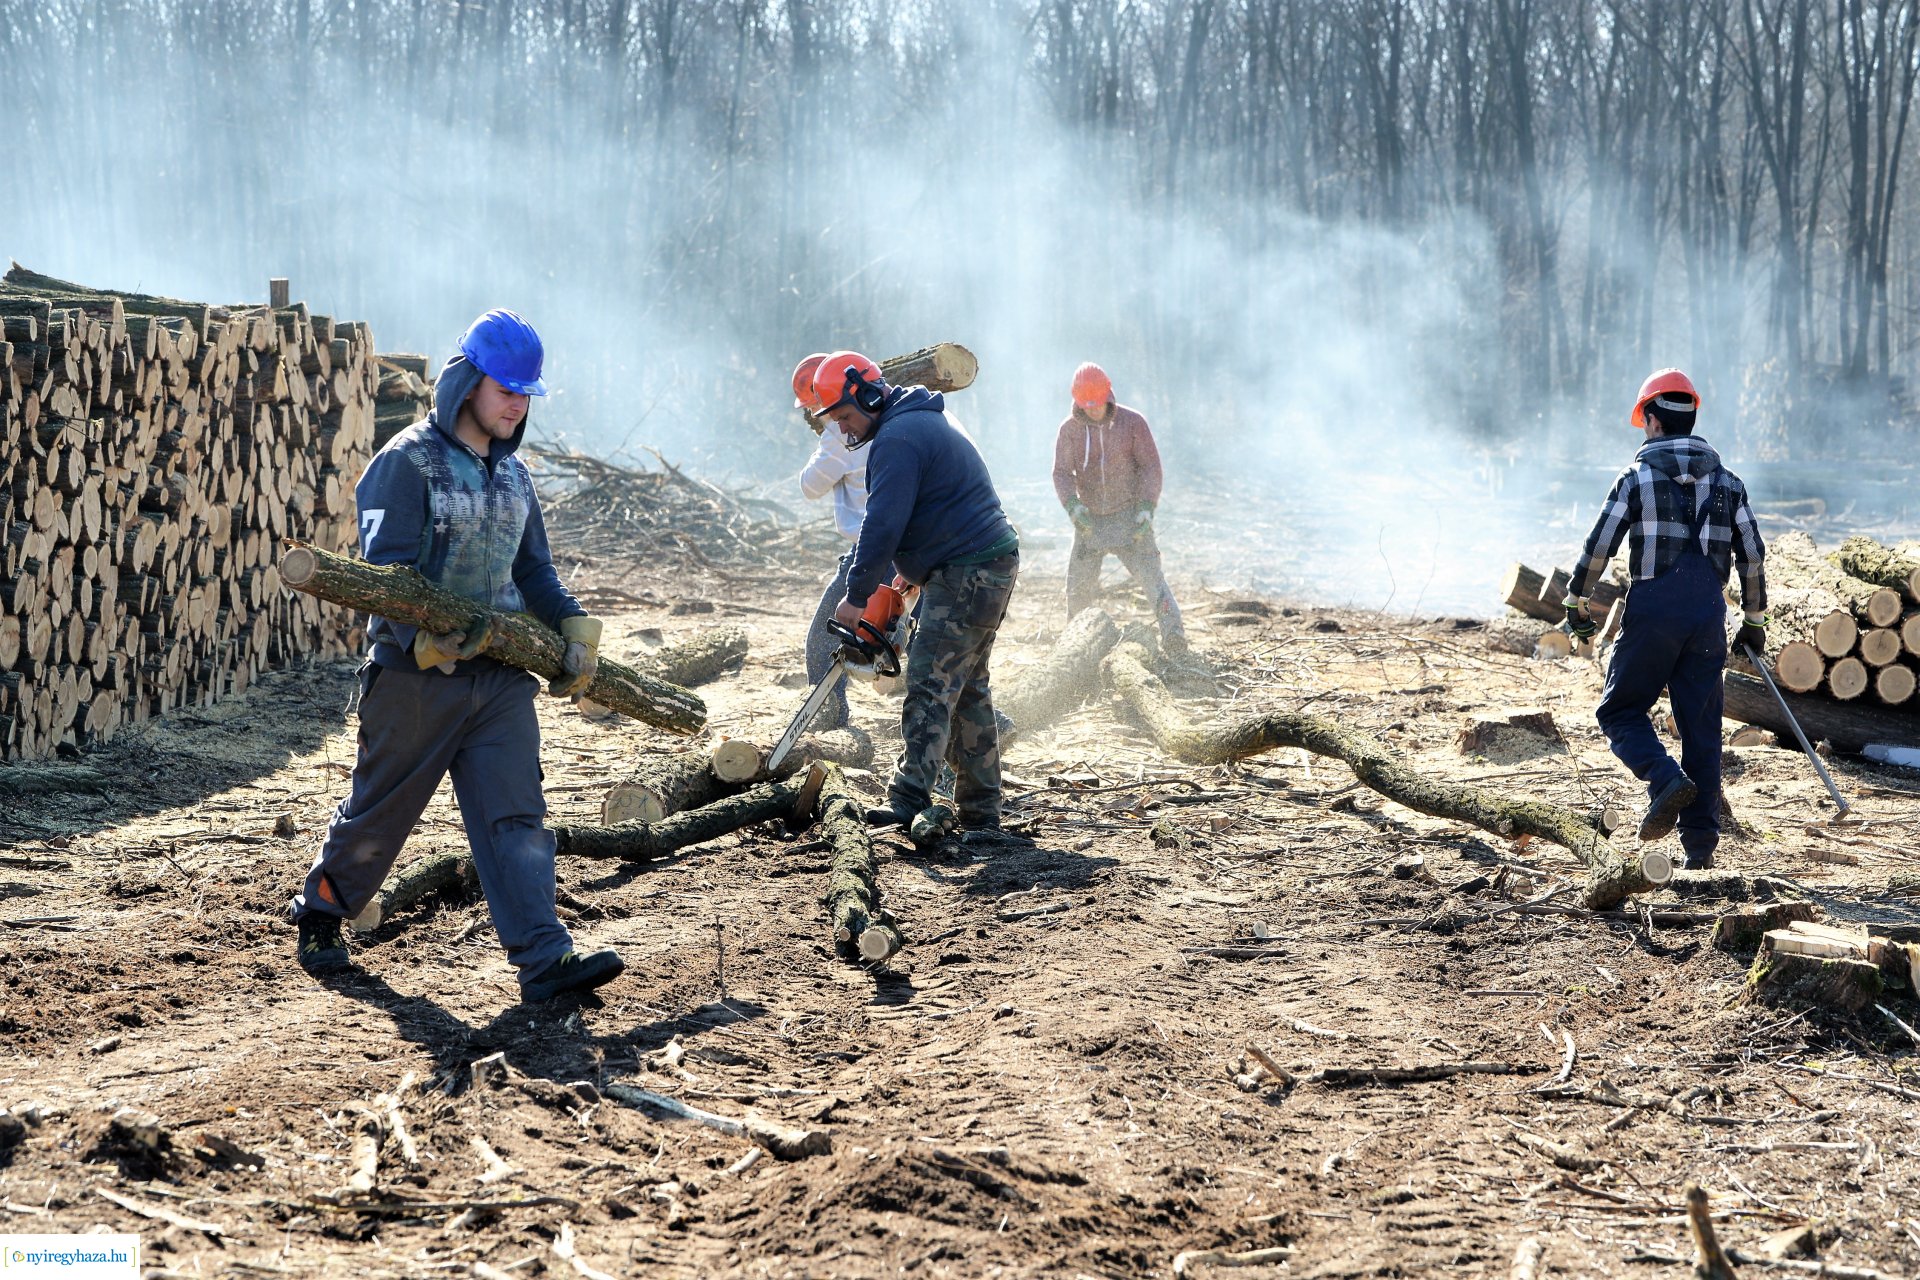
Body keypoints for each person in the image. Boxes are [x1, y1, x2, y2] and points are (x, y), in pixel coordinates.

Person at [288, 309, 624, 1002]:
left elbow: (535, 576)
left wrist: (572, 625)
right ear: (468, 383)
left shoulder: (515, 479)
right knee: (378, 813)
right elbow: (385, 575)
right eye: (507, 387)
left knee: (517, 816)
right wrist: (425, 638)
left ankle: (545, 958)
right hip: (415, 679)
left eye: (527, 392)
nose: (517, 403)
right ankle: (321, 913)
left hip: (500, 680)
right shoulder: (405, 463)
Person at [1565, 369, 1767, 871]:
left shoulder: (1635, 479)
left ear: (1652, 421)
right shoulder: (1729, 483)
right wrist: (1755, 621)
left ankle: (1663, 778)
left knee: (1619, 712)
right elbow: (1755, 558)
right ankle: (1700, 850)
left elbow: (1600, 545)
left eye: (1644, 420)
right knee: (1702, 730)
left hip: (1654, 614)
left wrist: (1576, 601)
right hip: (1706, 618)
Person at [814, 351, 1019, 840]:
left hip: (969, 568)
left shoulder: (899, 438)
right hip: (981, 562)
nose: (843, 430)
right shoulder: (916, 422)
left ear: (867, 396)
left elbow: (882, 524)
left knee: (928, 681)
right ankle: (981, 811)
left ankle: (907, 799)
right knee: (967, 688)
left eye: (844, 416)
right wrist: (914, 572)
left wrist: (856, 594)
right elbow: (928, 510)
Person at [1053, 363, 1187, 656]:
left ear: (1108, 395)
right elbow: (1061, 473)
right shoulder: (1069, 430)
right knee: (1078, 590)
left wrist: (1146, 508)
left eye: (1098, 404)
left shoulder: (1132, 423)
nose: (1094, 411)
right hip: (1090, 521)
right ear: (1077, 402)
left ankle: (1175, 637)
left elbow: (1151, 467)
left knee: (1153, 581)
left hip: (1129, 518)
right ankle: (1072, 649)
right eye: (1087, 406)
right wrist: (1073, 507)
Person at [794, 352, 867, 732]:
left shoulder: (839, 433)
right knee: (930, 647)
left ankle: (829, 722)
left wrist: (824, 439)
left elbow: (810, 485)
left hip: (872, 549)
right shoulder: (872, 418)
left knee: (823, 640)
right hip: (901, 543)